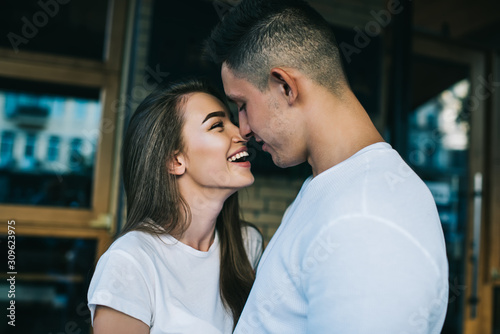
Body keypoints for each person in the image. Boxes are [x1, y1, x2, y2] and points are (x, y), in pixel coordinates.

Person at [205, 0, 449, 333]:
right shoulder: (331, 188)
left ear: (285, 87)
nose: (243, 127)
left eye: (243, 105)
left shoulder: (366, 219)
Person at [87, 79, 263, 334]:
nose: (241, 133)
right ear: (175, 160)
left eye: (232, 122)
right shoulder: (129, 261)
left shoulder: (248, 244)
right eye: (217, 126)